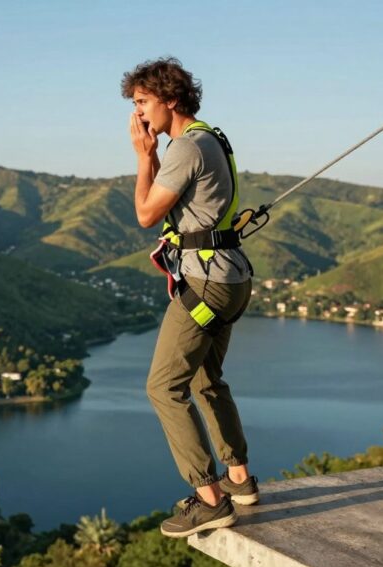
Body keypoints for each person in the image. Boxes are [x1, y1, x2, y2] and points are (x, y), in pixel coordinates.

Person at [122, 57, 259, 538]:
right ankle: (238, 479)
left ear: (170, 99)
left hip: (204, 284)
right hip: (231, 279)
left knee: (163, 387)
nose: (137, 114)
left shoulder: (184, 149)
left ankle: (209, 498)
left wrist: (143, 157)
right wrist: (154, 153)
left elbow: (145, 214)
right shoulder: (210, 138)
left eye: (142, 102)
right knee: (205, 378)